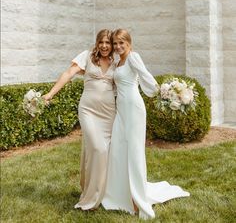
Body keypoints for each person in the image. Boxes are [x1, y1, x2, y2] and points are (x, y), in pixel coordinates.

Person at [102, 29, 190, 220]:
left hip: (134, 109)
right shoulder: (118, 62)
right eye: (115, 43)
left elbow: (145, 76)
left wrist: (163, 93)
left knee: (134, 153)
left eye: (121, 43)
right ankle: (120, 194)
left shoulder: (133, 57)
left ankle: (137, 200)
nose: (117, 47)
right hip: (121, 112)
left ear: (129, 43)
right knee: (118, 150)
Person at [43, 29, 116, 210]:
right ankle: (91, 196)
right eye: (101, 42)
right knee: (98, 148)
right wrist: (50, 94)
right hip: (88, 111)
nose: (105, 46)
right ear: (97, 43)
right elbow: (68, 74)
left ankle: (103, 191)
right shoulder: (87, 56)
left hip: (109, 113)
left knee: (102, 151)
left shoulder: (116, 61)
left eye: (108, 43)